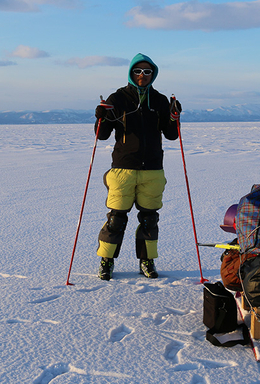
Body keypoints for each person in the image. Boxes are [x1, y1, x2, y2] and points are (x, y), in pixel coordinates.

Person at [93, 53, 181, 281]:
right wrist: (101, 117)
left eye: (147, 71)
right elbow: (101, 135)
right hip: (124, 168)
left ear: (154, 74)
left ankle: (146, 261)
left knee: (149, 219)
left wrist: (174, 117)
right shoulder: (118, 98)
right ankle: (106, 261)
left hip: (152, 169)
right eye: (138, 71)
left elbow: (171, 136)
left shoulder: (160, 101)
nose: (142, 75)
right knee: (116, 219)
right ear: (131, 73)